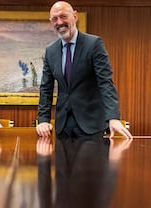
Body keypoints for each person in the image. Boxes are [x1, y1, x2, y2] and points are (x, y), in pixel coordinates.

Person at [36, 1, 133, 139]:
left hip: (91, 126)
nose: (59, 22)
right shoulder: (50, 51)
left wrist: (113, 117)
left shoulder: (94, 44)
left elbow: (105, 83)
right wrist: (43, 120)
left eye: (63, 16)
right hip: (62, 127)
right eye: (54, 19)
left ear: (75, 16)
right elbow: (46, 88)